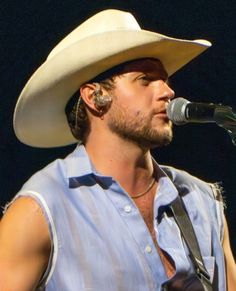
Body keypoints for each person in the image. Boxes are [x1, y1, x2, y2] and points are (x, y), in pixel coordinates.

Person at [0, 9, 235, 291]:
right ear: (95, 97)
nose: (168, 92)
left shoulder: (202, 201)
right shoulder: (41, 210)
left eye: (165, 80)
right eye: (146, 80)